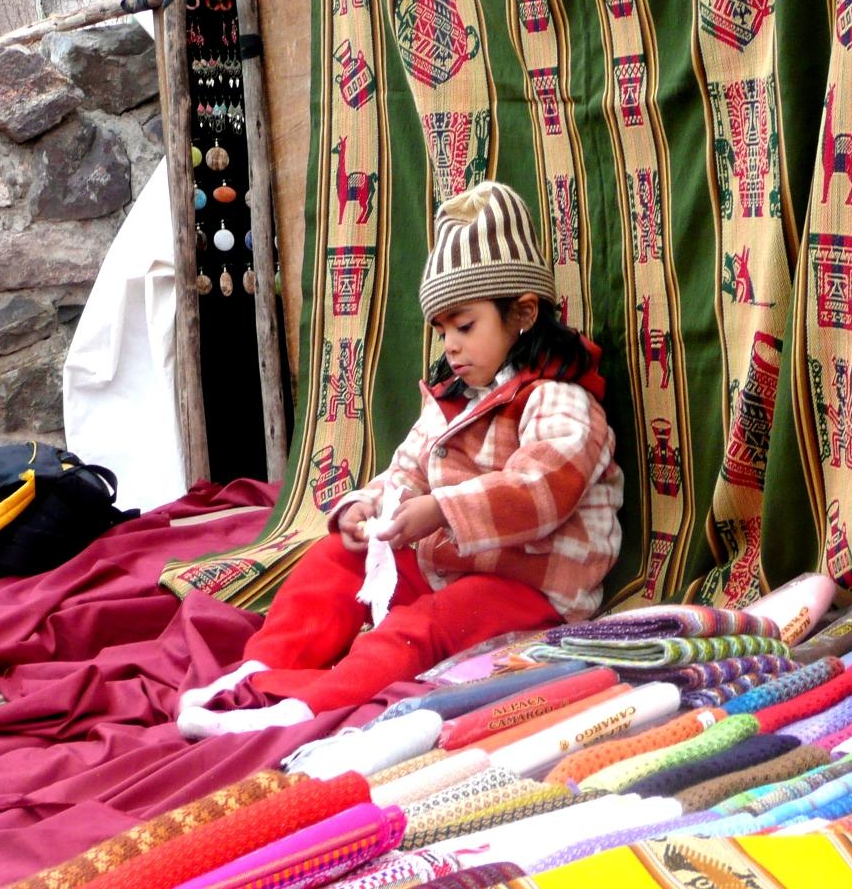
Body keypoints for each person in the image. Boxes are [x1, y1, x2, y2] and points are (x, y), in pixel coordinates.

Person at [179, 180, 624, 738]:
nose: (451, 346)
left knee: (425, 625)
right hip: (453, 567)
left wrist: (439, 509)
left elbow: (542, 490)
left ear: (524, 313)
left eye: (465, 326)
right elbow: (406, 470)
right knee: (333, 561)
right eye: (443, 331)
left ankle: (305, 708)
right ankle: (258, 672)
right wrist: (367, 507)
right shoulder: (453, 400)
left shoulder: (561, 398)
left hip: (532, 589)